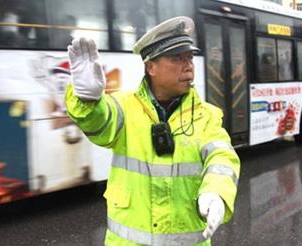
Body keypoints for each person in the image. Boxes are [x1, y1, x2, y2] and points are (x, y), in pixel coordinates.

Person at [65, 16, 240, 246]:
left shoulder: (206, 115)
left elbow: (222, 157)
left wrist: (216, 191)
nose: (188, 65)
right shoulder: (123, 107)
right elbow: (98, 125)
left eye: (189, 57)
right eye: (177, 58)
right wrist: (87, 100)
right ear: (151, 67)